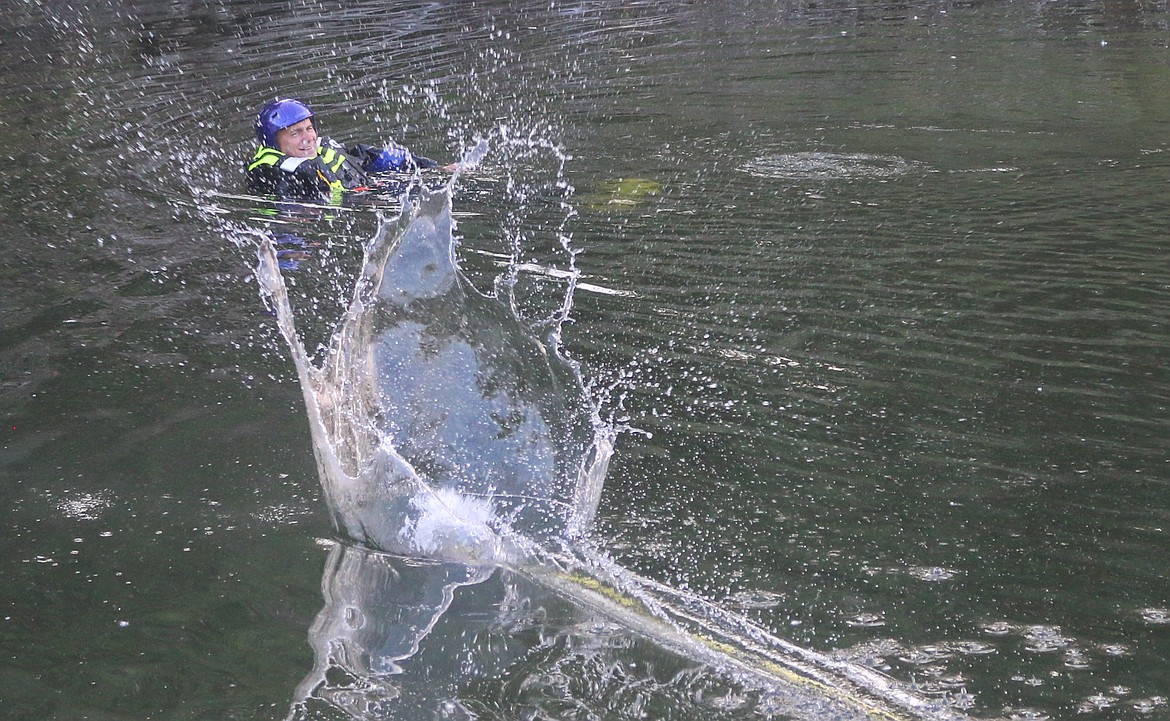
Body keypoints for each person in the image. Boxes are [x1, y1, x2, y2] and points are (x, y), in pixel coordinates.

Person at [245, 98, 442, 201]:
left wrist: (431, 167)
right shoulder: (270, 174)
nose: (308, 139)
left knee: (440, 184)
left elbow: (373, 157)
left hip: (374, 189)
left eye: (309, 129)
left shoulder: (324, 148)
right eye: (295, 134)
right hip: (361, 202)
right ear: (273, 143)